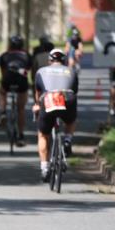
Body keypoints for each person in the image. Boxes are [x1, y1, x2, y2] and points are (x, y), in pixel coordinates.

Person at [33, 48, 79, 182]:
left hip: (49, 99)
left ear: (49, 61)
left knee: (43, 135)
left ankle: (44, 168)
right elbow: (74, 90)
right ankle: (67, 140)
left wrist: (37, 105)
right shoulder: (71, 71)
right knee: (71, 120)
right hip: (67, 98)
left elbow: (38, 92)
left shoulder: (41, 71)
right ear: (64, 61)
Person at [0, 35, 32, 146]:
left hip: (8, 79)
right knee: (21, 109)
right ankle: (21, 135)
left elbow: (3, 73)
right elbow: (27, 71)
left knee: (2, 92)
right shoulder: (27, 55)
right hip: (21, 80)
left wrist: (4, 82)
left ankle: (3, 112)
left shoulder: (4, 56)